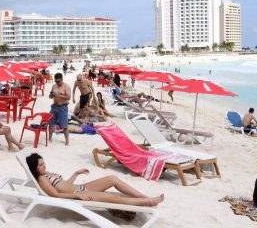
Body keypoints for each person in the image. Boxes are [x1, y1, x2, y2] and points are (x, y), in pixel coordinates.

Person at [26, 153, 164, 206]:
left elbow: (63, 185)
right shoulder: (41, 179)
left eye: (44, 163)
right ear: (35, 167)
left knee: (112, 178)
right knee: (113, 198)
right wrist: (77, 195)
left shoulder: (46, 173)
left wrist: (76, 173)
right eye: (41, 165)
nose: (45, 166)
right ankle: (148, 201)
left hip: (80, 188)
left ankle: (142, 196)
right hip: (79, 194)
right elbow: (56, 194)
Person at [49, 73, 71, 145]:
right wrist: (51, 95)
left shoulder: (66, 86)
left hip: (63, 107)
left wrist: (58, 95)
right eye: (56, 81)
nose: (57, 83)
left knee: (64, 125)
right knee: (51, 124)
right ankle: (50, 138)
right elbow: (50, 97)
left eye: (58, 81)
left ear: (62, 79)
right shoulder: (54, 86)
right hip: (54, 106)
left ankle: (67, 141)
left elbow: (68, 97)